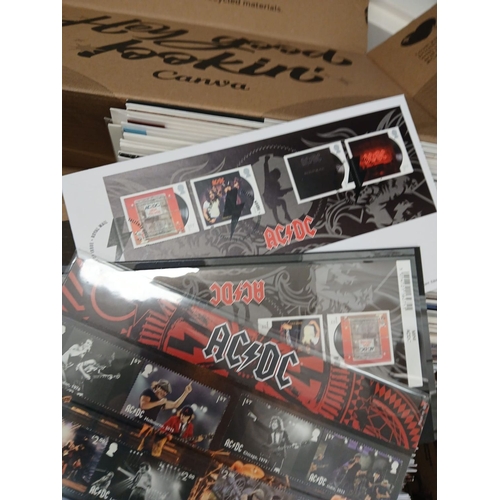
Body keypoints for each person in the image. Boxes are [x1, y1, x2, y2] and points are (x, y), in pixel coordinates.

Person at [137, 379, 193, 450]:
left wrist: (186, 392)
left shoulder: (161, 401)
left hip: (148, 429)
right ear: (157, 387)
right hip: (138, 424)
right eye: (163, 390)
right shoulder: (149, 392)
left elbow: (175, 404)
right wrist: (159, 403)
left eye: (166, 392)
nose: (164, 393)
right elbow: (143, 405)